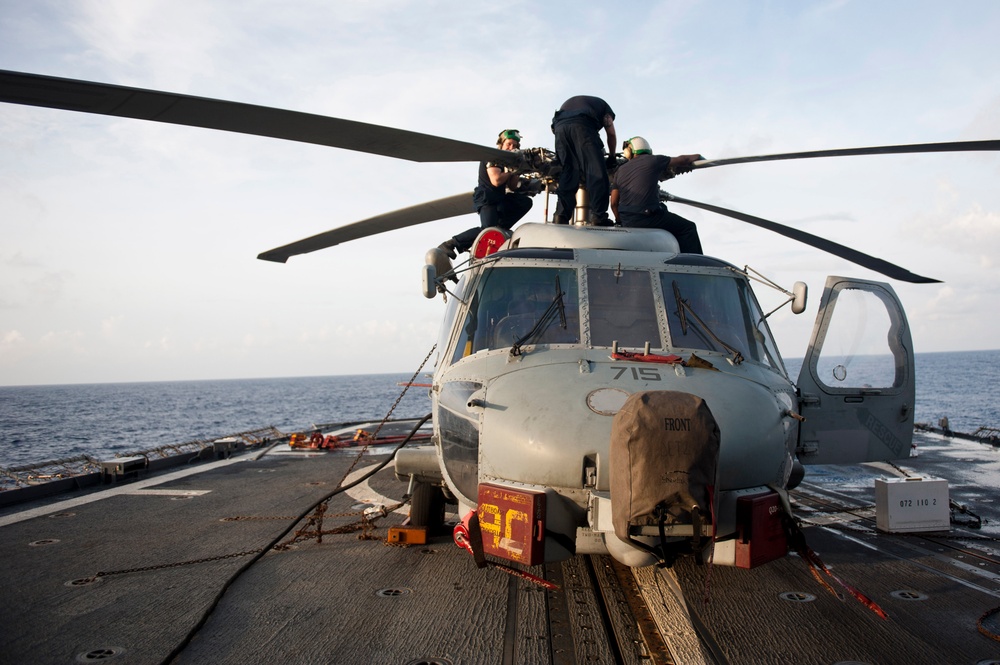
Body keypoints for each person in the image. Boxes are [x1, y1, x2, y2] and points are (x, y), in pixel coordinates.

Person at [439, 129, 534, 257]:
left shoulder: (507, 162)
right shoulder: (493, 157)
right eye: (509, 144)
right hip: (487, 198)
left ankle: (501, 228)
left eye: (515, 146)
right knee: (487, 230)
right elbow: (496, 180)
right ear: (501, 144)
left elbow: (512, 186)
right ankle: (451, 244)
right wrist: (511, 172)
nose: (511, 148)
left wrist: (517, 170)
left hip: (499, 198)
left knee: (525, 202)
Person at [610, 136, 705, 254]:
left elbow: (613, 203)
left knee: (663, 209)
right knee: (688, 228)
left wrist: (620, 221)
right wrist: (698, 157)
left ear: (628, 152)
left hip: (627, 220)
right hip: (647, 218)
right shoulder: (654, 160)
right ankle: (692, 264)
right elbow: (683, 160)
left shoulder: (620, 171)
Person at [550, 96, 617, 226]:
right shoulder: (605, 108)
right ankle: (599, 216)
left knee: (568, 173)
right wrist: (612, 157)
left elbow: (555, 129)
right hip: (582, 125)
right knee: (596, 172)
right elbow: (611, 134)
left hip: (559, 127)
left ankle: (561, 216)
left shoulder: (572, 103)